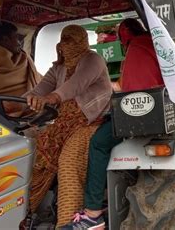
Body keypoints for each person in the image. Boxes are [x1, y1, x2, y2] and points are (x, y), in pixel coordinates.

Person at [62, 18, 165, 229]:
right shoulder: (156, 43)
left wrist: (105, 87)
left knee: (99, 143)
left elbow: (129, 89)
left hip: (141, 113)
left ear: (125, 36)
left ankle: (92, 214)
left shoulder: (135, 48)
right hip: (160, 104)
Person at [25, 25, 112, 227]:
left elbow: (76, 85)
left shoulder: (93, 60)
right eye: (65, 39)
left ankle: (72, 221)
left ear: (83, 41)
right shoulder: (59, 67)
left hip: (93, 122)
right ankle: (29, 211)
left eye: (73, 40)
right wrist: (25, 101)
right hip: (64, 123)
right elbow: (40, 89)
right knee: (37, 156)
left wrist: (53, 97)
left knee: (69, 161)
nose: (68, 44)